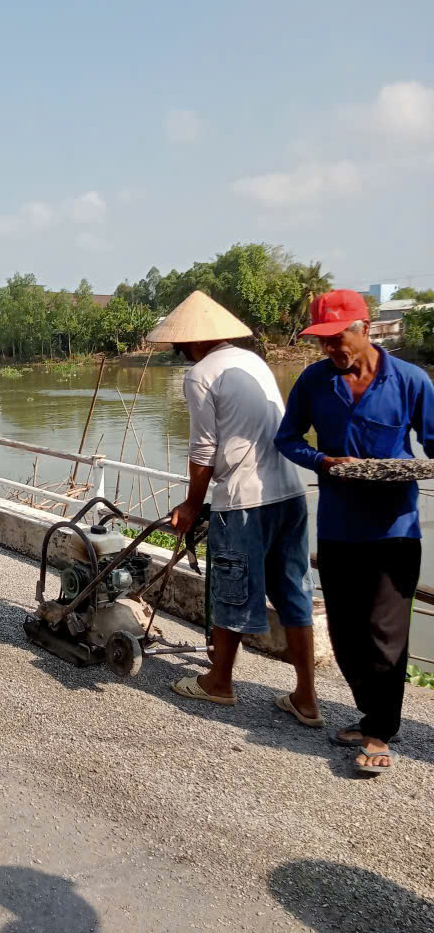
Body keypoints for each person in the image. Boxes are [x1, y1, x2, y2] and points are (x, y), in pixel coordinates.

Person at [275, 289, 434, 775]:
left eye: (337, 337)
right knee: (345, 633)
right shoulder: (315, 381)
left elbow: (432, 442)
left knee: (386, 634)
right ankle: (373, 714)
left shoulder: (410, 380)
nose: (331, 348)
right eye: (322, 341)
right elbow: (287, 438)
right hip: (339, 527)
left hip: (395, 528)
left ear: (365, 328)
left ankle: (380, 732)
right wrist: (322, 461)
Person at [146, 291, 322, 726]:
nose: (182, 354)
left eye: (181, 347)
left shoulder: (201, 374)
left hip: (244, 501)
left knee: (232, 589)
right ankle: (306, 696)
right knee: (294, 593)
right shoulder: (253, 362)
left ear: (193, 342)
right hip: (290, 493)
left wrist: (191, 504)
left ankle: (219, 682)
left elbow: (203, 450)